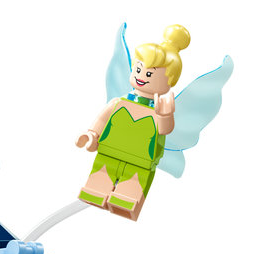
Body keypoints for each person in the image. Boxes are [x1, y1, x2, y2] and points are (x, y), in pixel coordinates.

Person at [76, 24, 190, 220]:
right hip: (108, 153)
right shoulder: (118, 103)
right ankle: (95, 194)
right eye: (138, 68)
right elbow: (102, 119)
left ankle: (124, 203)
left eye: (149, 74)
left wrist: (165, 115)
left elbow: (165, 130)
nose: (141, 76)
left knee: (130, 192)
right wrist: (92, 134)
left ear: (170, 80)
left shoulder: (158, 111)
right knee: (97, 183)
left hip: (141, 162)